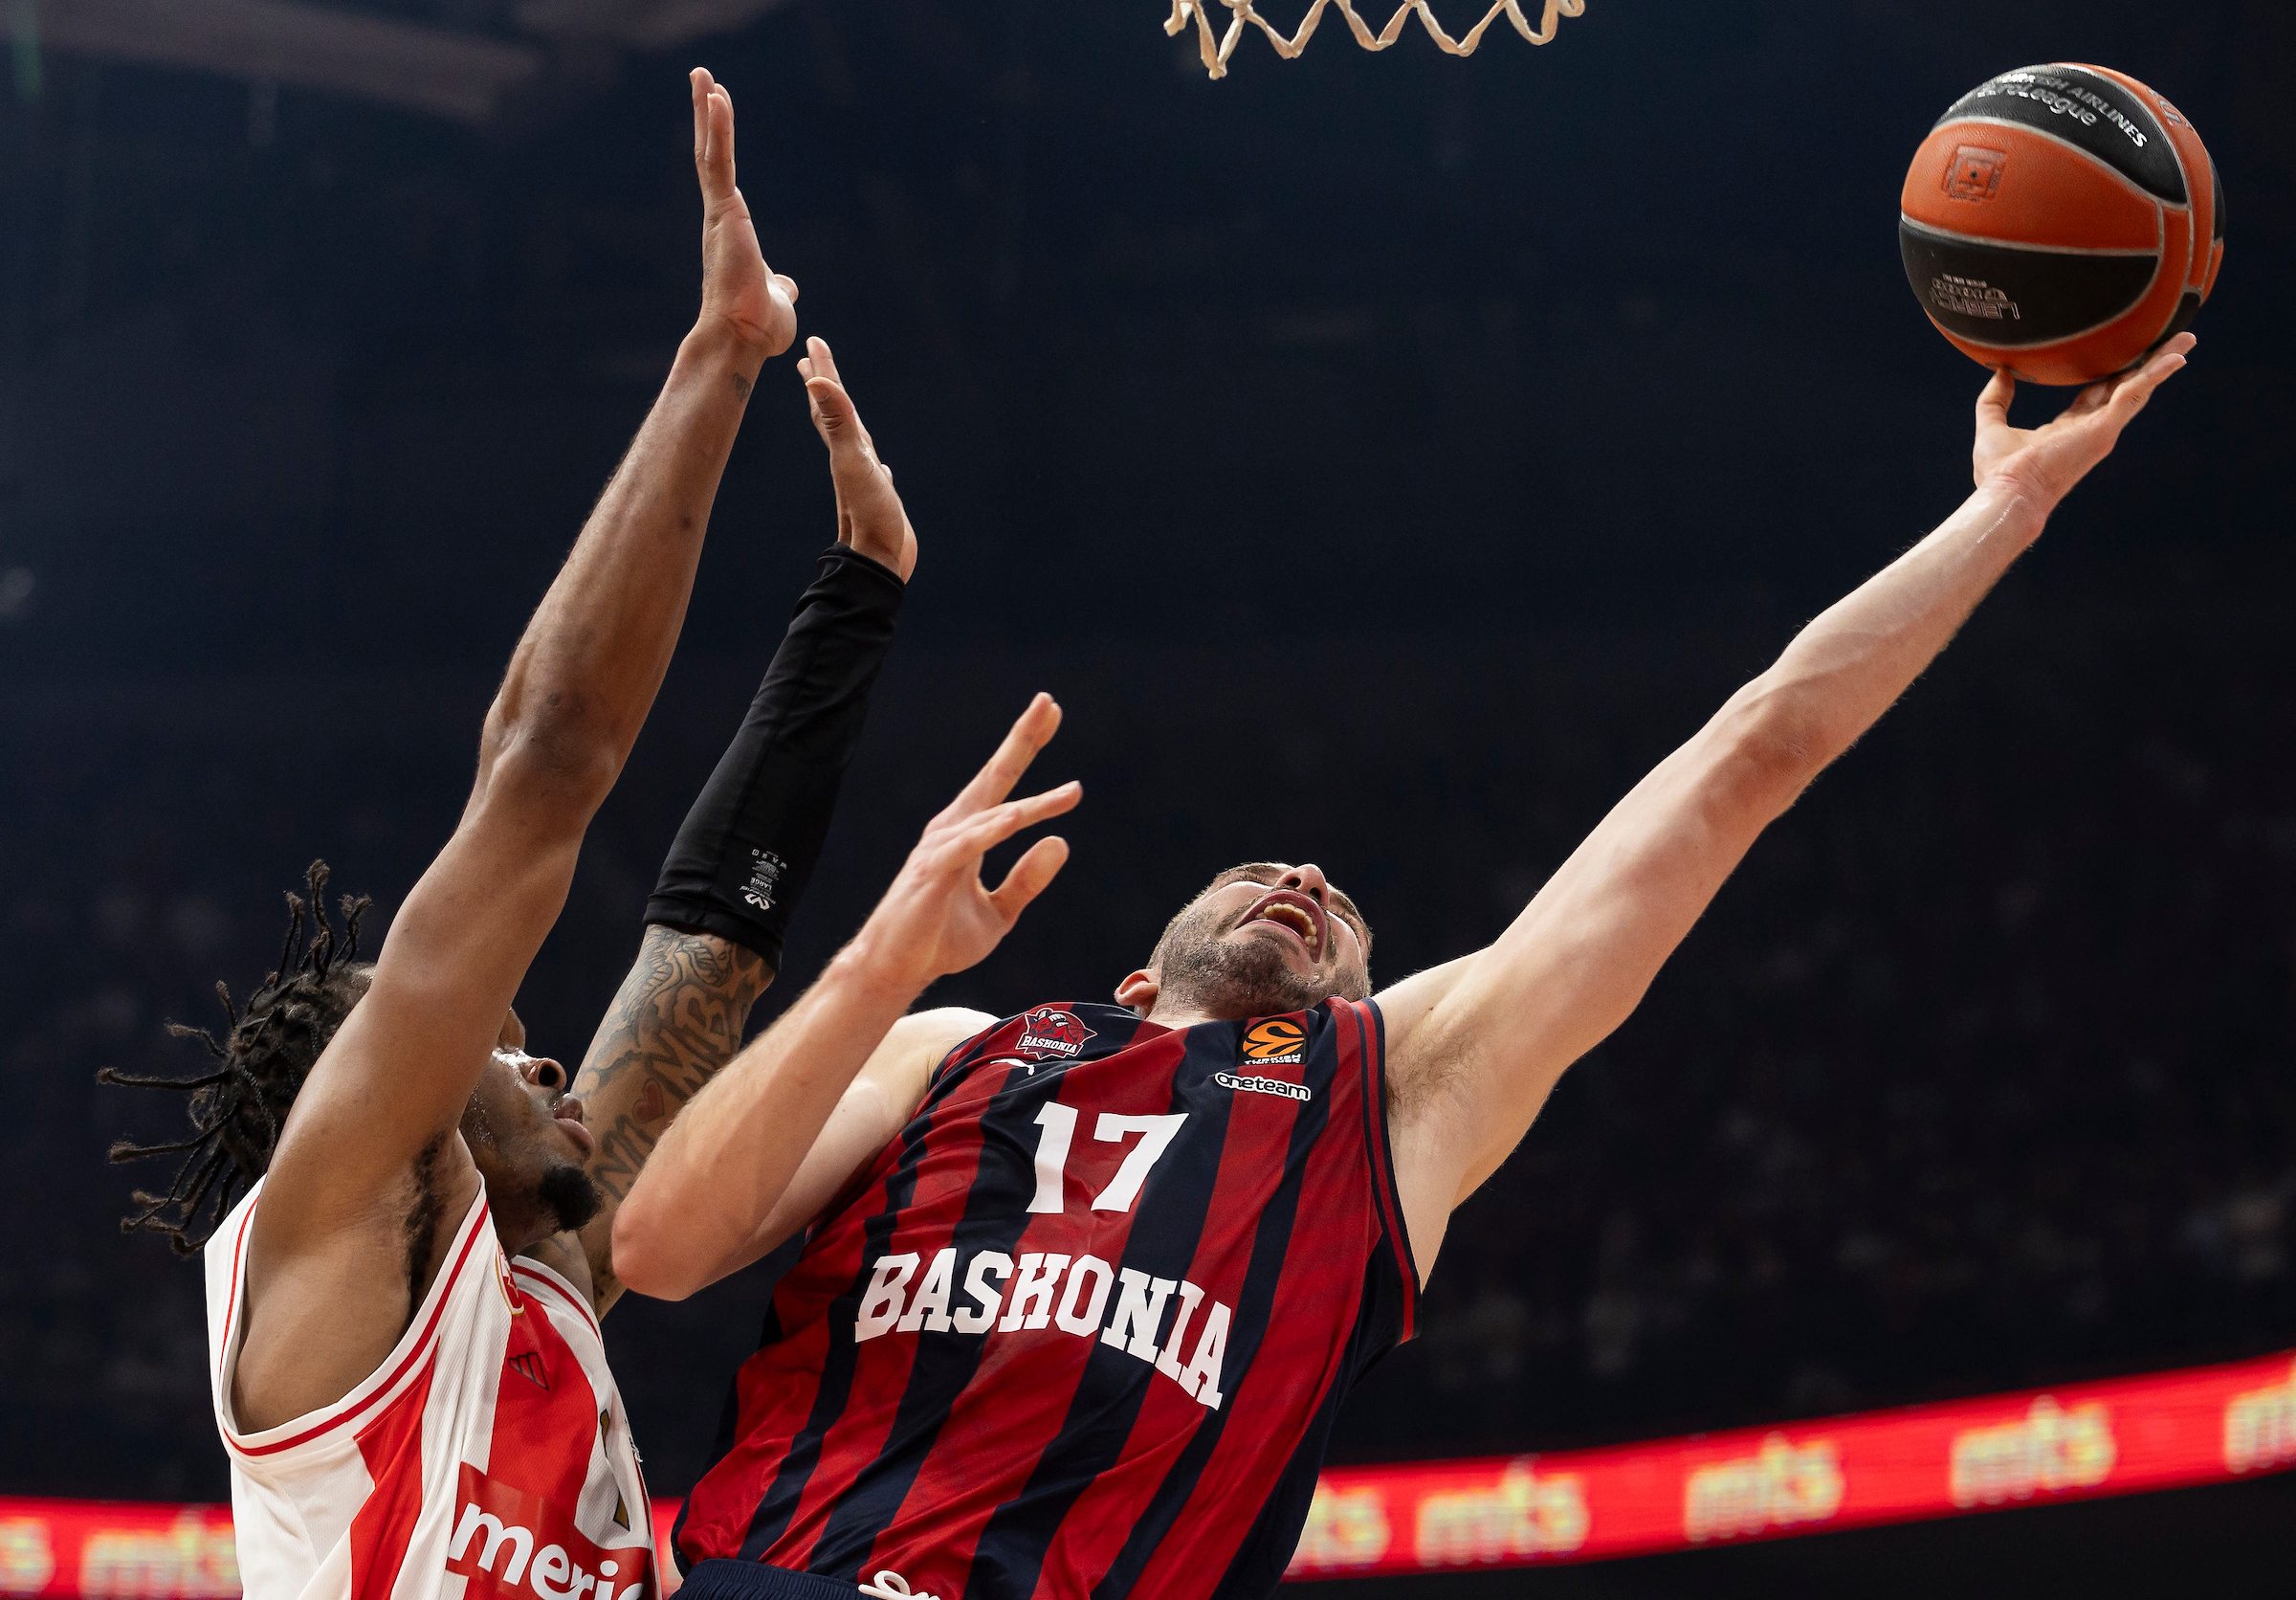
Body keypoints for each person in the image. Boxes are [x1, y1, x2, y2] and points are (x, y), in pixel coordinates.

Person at [612, 337, 2198, 1600]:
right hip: (779, 1578)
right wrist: (891, 948)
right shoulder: (954, 1041)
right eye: (1263, 870)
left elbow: (1748, 755)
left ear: (1366, 1001)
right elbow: (670, 1248)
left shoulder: (1386, 1094)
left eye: (1341, 906)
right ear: (1136, 969)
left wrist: (2008, 508)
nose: (1304, 876)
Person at [100, 71, 922, 1600]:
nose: (543, 1060)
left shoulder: (531, 1287)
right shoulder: (327, 1241)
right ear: (384, 1093)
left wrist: (858, 596)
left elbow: (706, 964)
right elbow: (544, 767)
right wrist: (717, 362)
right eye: (499, 1038)